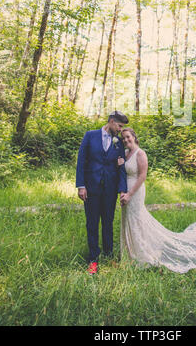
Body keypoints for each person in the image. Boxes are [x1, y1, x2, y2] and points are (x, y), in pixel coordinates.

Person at [119, 128, 196, 274]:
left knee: (137, 220)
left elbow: (142, 176)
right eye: (123, 138)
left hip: (135, 192)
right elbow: (122, 174)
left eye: (128, 137)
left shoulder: (140, 153)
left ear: (134, 137)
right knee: (128, 220)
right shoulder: (125, 154)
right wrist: (122, 191)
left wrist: (129, 194)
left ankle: (142, 254)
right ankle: (130, 253)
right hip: (125, 192)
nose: (125, 140)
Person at [76, 111, 129, 275]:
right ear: (111, 122)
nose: (120, 130)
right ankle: (93, 259)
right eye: (119, 126)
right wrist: (81, 185)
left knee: (108, 222)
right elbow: (81, 161)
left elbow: (122, 169)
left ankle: (108, 254)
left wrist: (122, 190)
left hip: (110, 190)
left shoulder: (118, 143)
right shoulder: (90, 136)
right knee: (92, 223)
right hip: (91, 188)